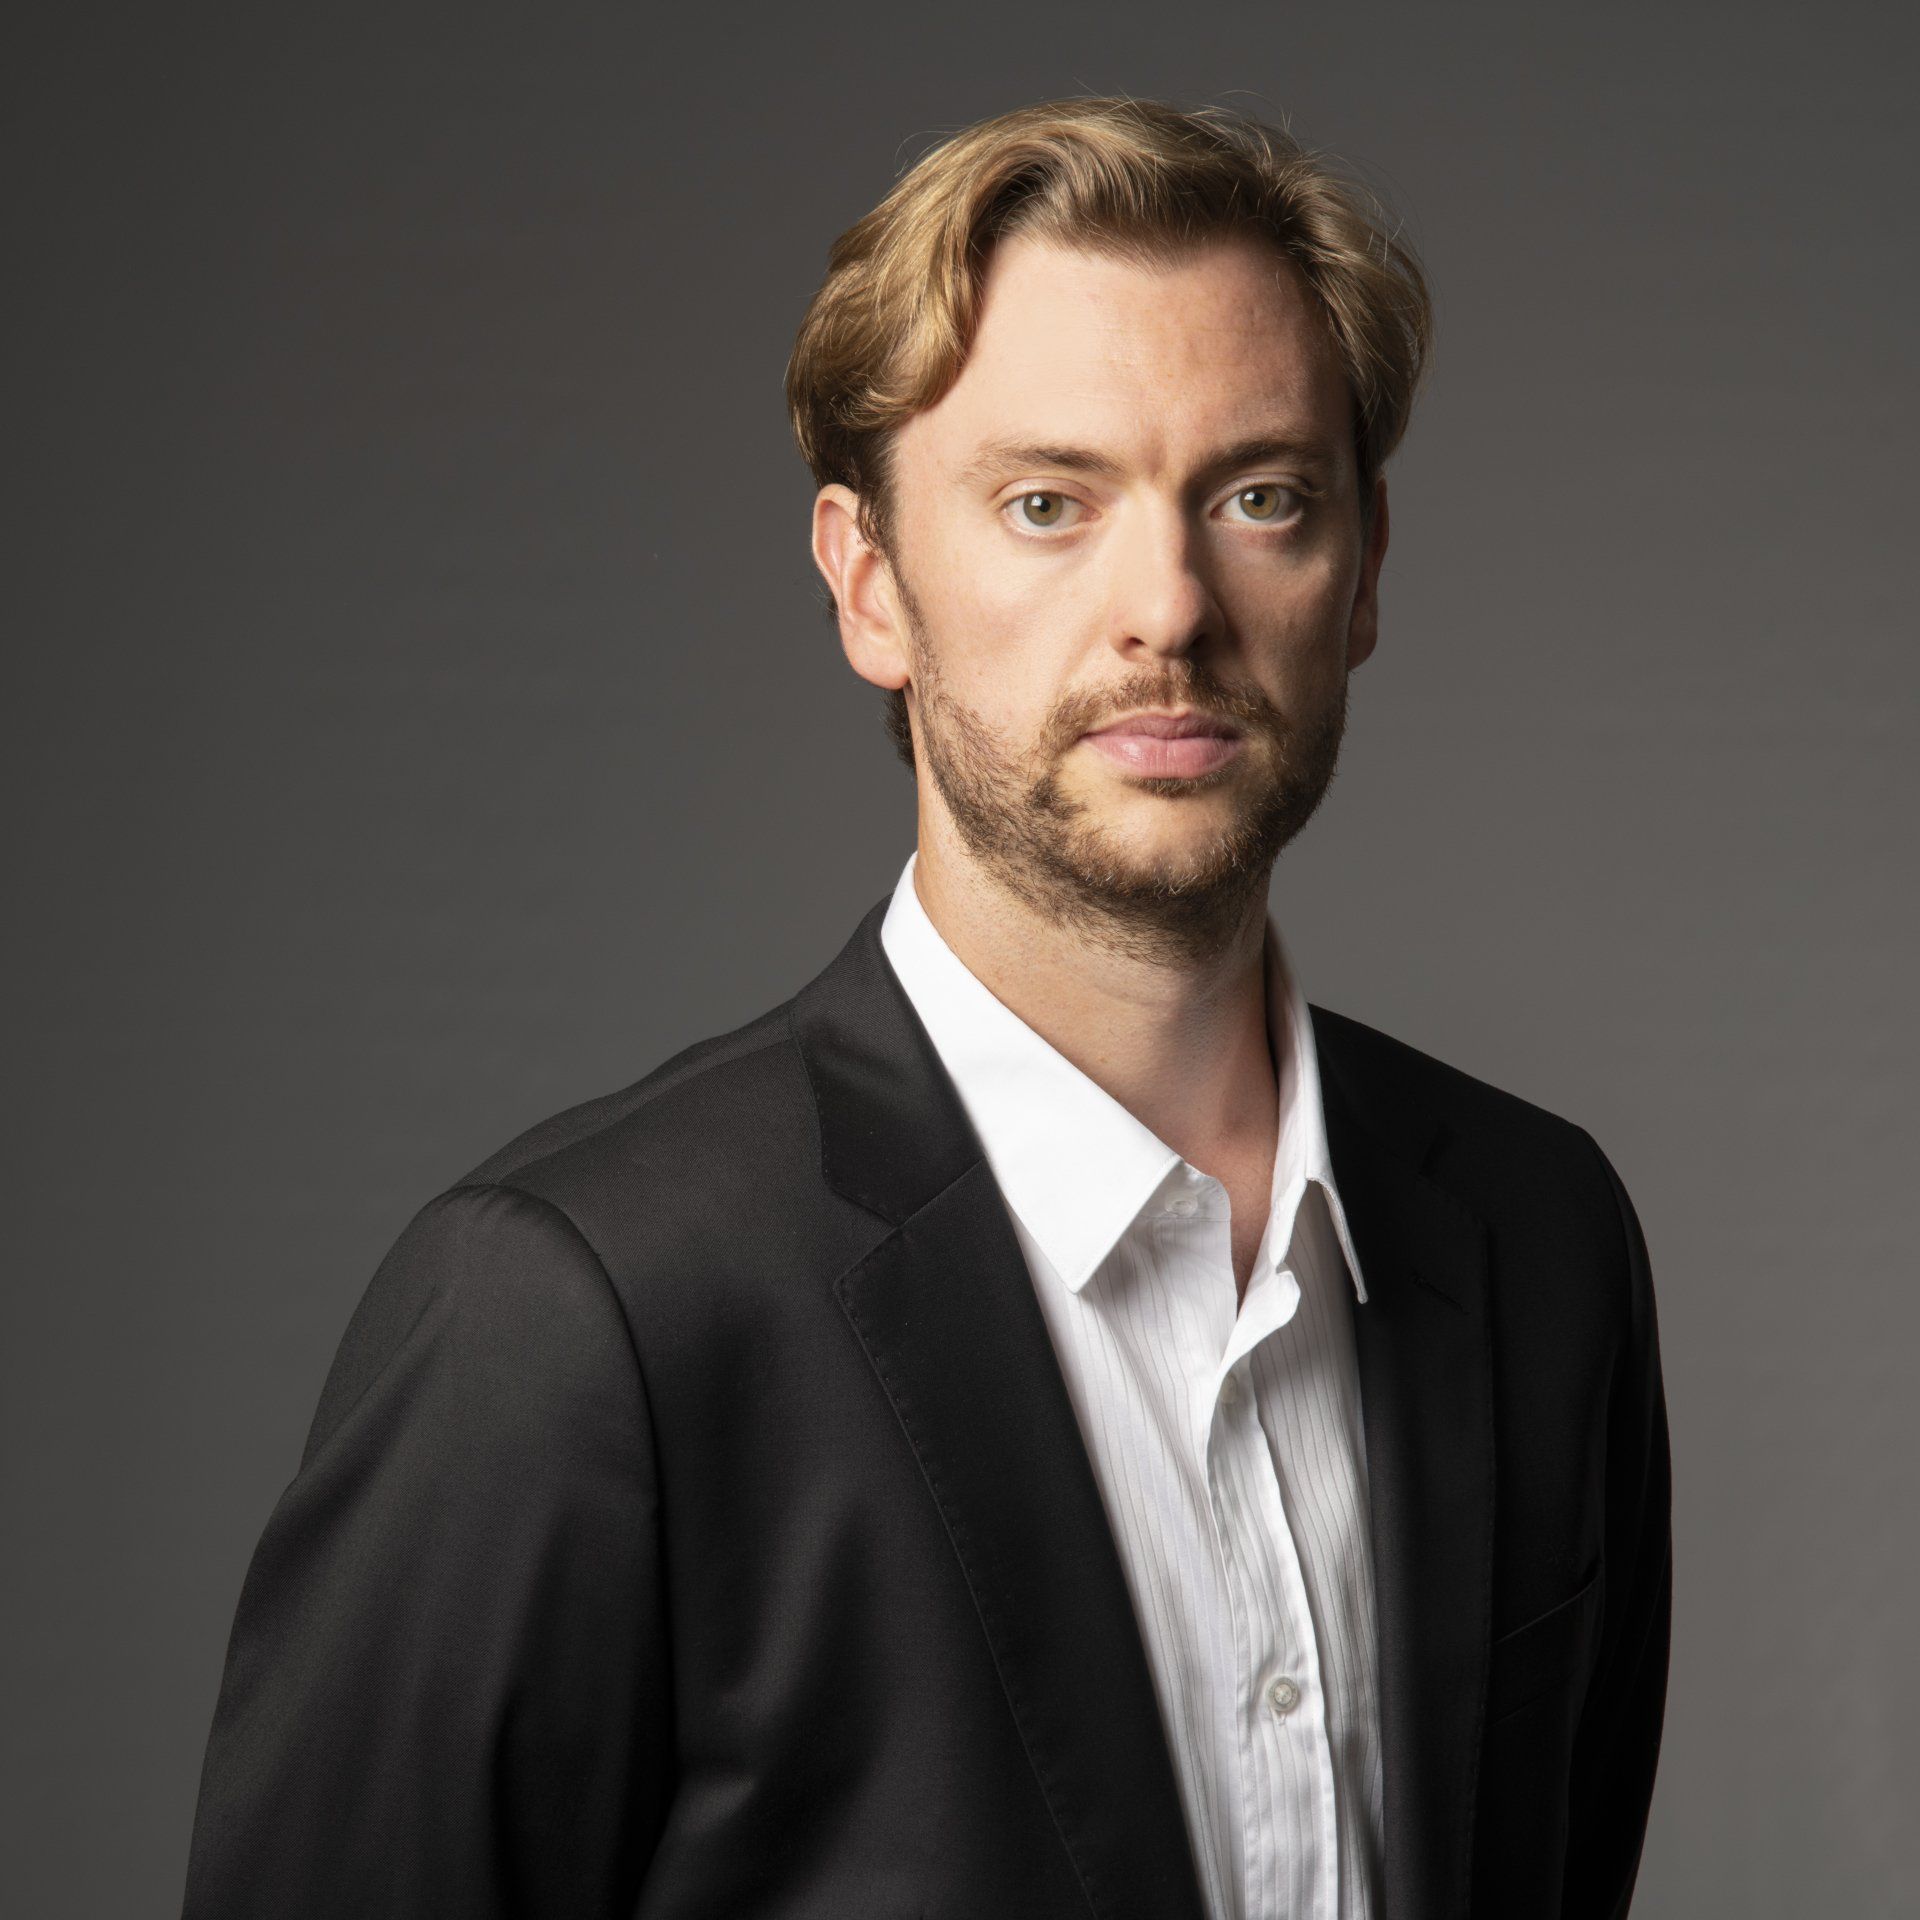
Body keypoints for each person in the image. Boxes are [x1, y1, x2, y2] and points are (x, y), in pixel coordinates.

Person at [180, 97, 1670, 1920]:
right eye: (1049, 504)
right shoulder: (575, 1319)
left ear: (1361, 571)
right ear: (870, 584)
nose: (1168, 607)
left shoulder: (1541, 1242)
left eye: (1260, 497)